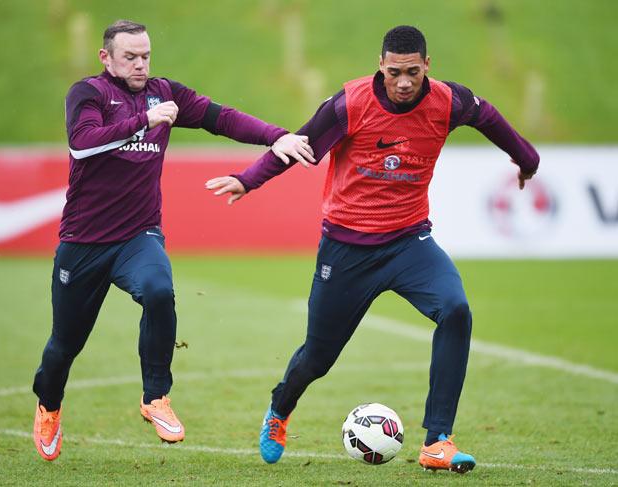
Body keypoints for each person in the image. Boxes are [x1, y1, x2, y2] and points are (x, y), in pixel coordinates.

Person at [206, 25, 539, 474]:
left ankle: (437, 440)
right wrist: (249, 179)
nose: (404, 82)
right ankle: (279, 409)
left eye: (413, 72)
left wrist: (527, 159)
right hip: (345, 249)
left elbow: (490, 116)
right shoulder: (350, 103)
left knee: (455, 309)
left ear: (427, 66)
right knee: (318, 358)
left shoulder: (448, 100)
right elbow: (298, 145)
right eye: (395, 72)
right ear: (381, 66)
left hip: (409, 242)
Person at [32, 19, 314, 461]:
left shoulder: (165, 92)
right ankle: (49, 405)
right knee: (65, 344)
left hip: (137, 236)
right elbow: (82, 144)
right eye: (130, 56)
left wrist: (277, 137)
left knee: (160, 290)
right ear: (106, 57)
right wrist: (143, 119)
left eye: (145, 55)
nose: (141, 63)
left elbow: (223, 118)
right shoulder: (88, 94)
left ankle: (155, 396)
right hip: (83, 242)